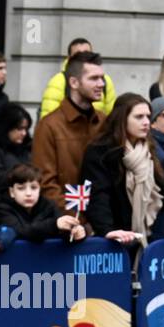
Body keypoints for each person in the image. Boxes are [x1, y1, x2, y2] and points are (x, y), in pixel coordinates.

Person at [80, 93, 164, 254]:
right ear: (122, 119)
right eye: (139, 117)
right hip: (113, 238)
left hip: (144, 233)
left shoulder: (146, 149)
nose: (146, 122)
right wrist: (107, 230)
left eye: (147, 116)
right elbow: (98, 194)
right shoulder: (100, 151)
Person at [31, 52, 105, 217]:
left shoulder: (103, 121)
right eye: (94, 78)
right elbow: (46, 184)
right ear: (74, 82)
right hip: (67, 224)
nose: (101, 84)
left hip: (104, 221)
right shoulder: (49, 126)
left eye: (102, 78)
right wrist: (78, 220)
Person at [0, 163, 87, 243]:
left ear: (40, 189)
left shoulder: (49, 206)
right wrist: (54, 225)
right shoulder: (1, 210)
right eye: (21, 188)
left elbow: (61, 232)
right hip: (8, 265)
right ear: (11, 192)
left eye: (33, 188)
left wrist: (75, 233)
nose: (28, 193)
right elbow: (21, 232)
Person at [39, 39, 117, 119]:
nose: (83, 59)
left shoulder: (105, 81)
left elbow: (112, 117)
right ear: (69, 58)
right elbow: (49, 119)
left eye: (87, 54)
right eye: (78, 56)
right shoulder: (59, 81)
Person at [0, 101, 33, 173]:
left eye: (26, 129)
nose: (24, 133)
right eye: (19, 129)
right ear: (7, 127)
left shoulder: (28, 149)